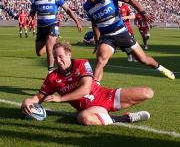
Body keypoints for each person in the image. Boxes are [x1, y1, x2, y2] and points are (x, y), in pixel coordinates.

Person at [21, 41, 154, 126]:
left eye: (61, 56)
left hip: (106, 96)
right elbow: (39, 97)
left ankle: (107, 116)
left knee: (148, 93)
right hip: (90, 109)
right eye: (55, 57)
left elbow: (86, 89)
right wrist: (28, 101)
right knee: (83, 118)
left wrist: (60, 98)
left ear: (68, 54)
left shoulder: (81, 63)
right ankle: (125, 119)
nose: (58, 60)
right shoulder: (52, 77)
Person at [79, 0, 175, 82]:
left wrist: (143, 13)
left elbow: (129, 0)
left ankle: (161, 68)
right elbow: (95, 23)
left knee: (143, 60)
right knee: (100, 61)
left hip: (121, 32)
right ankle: (94, 89)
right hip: (106, 37)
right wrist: (97, 41)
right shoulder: (87, 6)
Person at [28, 0, 82, 73]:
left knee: (49, 49)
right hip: (41, 27)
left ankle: (50, 72)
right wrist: (30, 18)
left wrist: (77, 21)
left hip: (52, 25)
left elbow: (67, 9)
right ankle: (53, 43)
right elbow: (32, 12)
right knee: (39, 53)